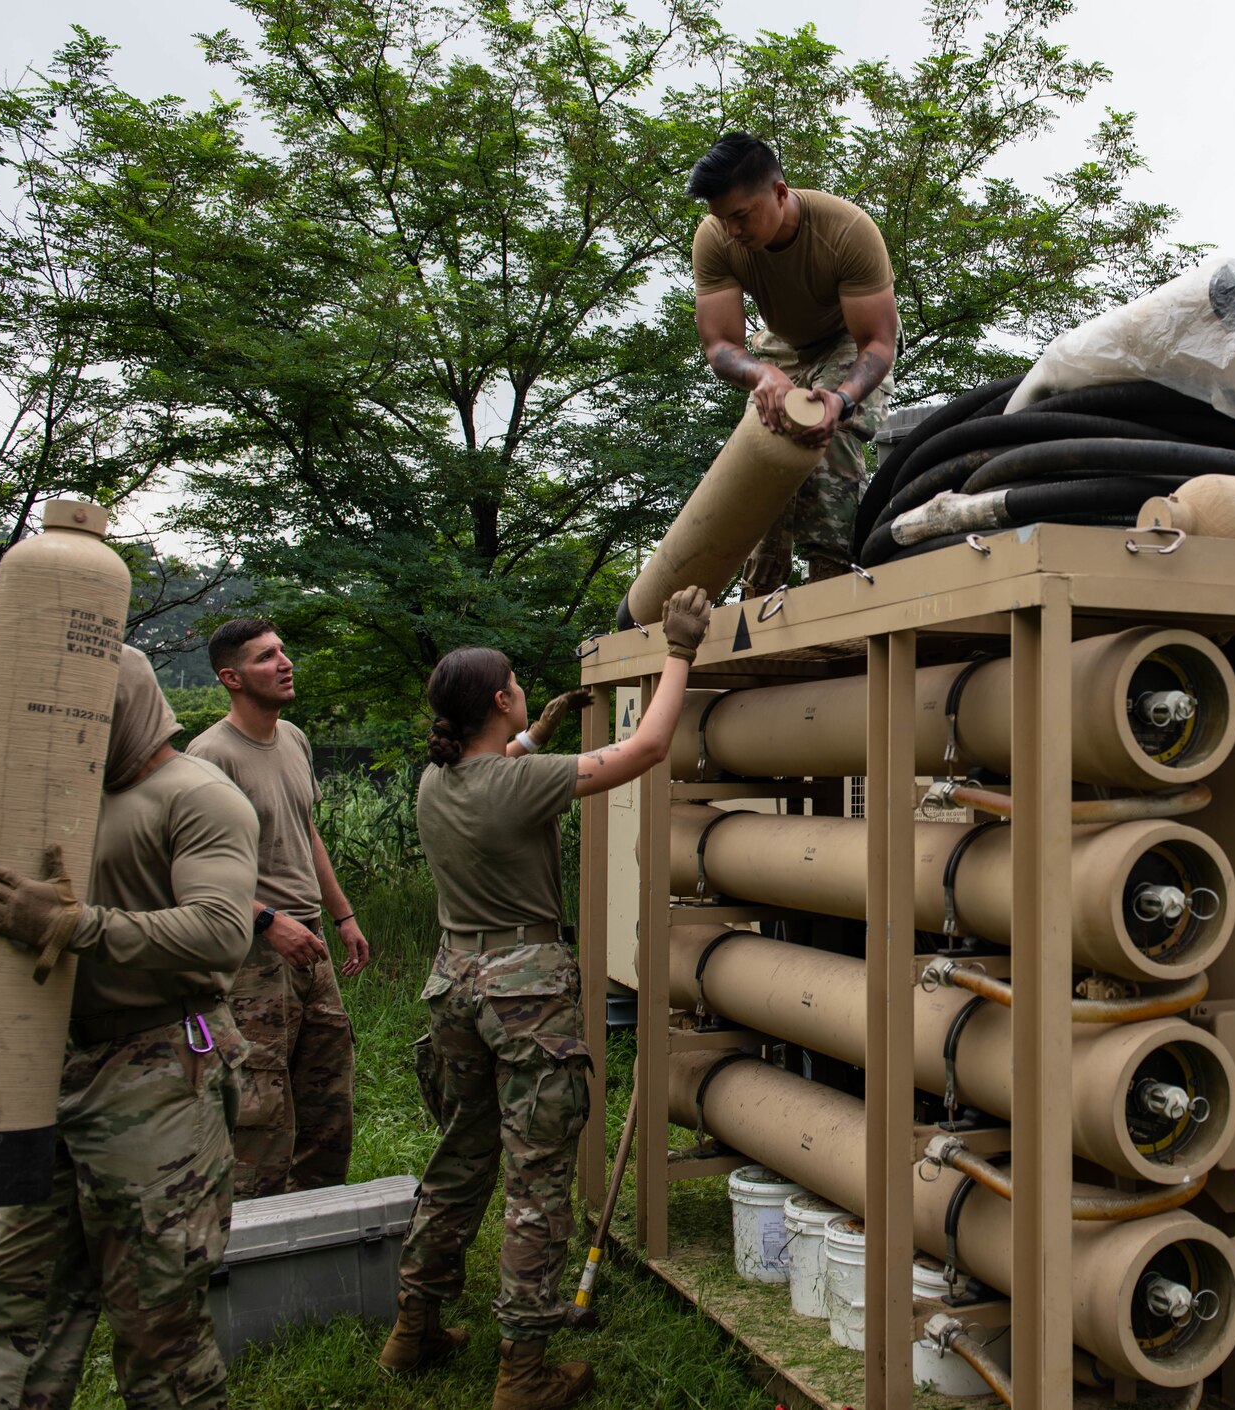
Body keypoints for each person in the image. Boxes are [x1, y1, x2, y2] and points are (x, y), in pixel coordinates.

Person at [379, 588, 712, 1410]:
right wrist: (680, 651)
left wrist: (539, 734)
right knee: (536, 1180)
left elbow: (500, 760)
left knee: (460, 1161)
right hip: (524, 994)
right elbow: (648, 746)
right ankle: (523, 1374)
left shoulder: (438, 779)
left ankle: (412, 1330)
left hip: (455, 985)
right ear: (499, 698)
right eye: (518, 684)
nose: (524, 689)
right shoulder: (515, 788)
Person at [0, 646, 259, 1410]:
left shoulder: (197, 795)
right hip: (52, 1068)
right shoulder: (60, 801)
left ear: (126, 704)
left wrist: (76, 924)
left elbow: (221, 931)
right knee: (15, 1302)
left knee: (157, 1316)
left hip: (156, 1070)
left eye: (84, 711)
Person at [189, 617, 365, 1197]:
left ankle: (316, 1234)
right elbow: (196, 873)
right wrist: (268, 920)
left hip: (308, 942)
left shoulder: (292, 738)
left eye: (283, 651)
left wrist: (342, 915)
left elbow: (305, 829)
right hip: (251, 952)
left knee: (328, 1099)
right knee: (260, 1109)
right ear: (231, 677)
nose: (285, 662)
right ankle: (248, 1247)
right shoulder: (210, 755)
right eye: (266, 657)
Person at [688, 131, 900, 596]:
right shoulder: (717, 237)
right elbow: (721, 344)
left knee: (827, 435)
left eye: (742, 216)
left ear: (780, 193)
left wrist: (841, 399)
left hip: (849, 338)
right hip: (781, 344)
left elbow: (879, 342)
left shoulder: (846, 231)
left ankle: (831, 581)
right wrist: (763, 374)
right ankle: (759, 593)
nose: (732, 231)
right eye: (722, 219)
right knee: (763, 449)